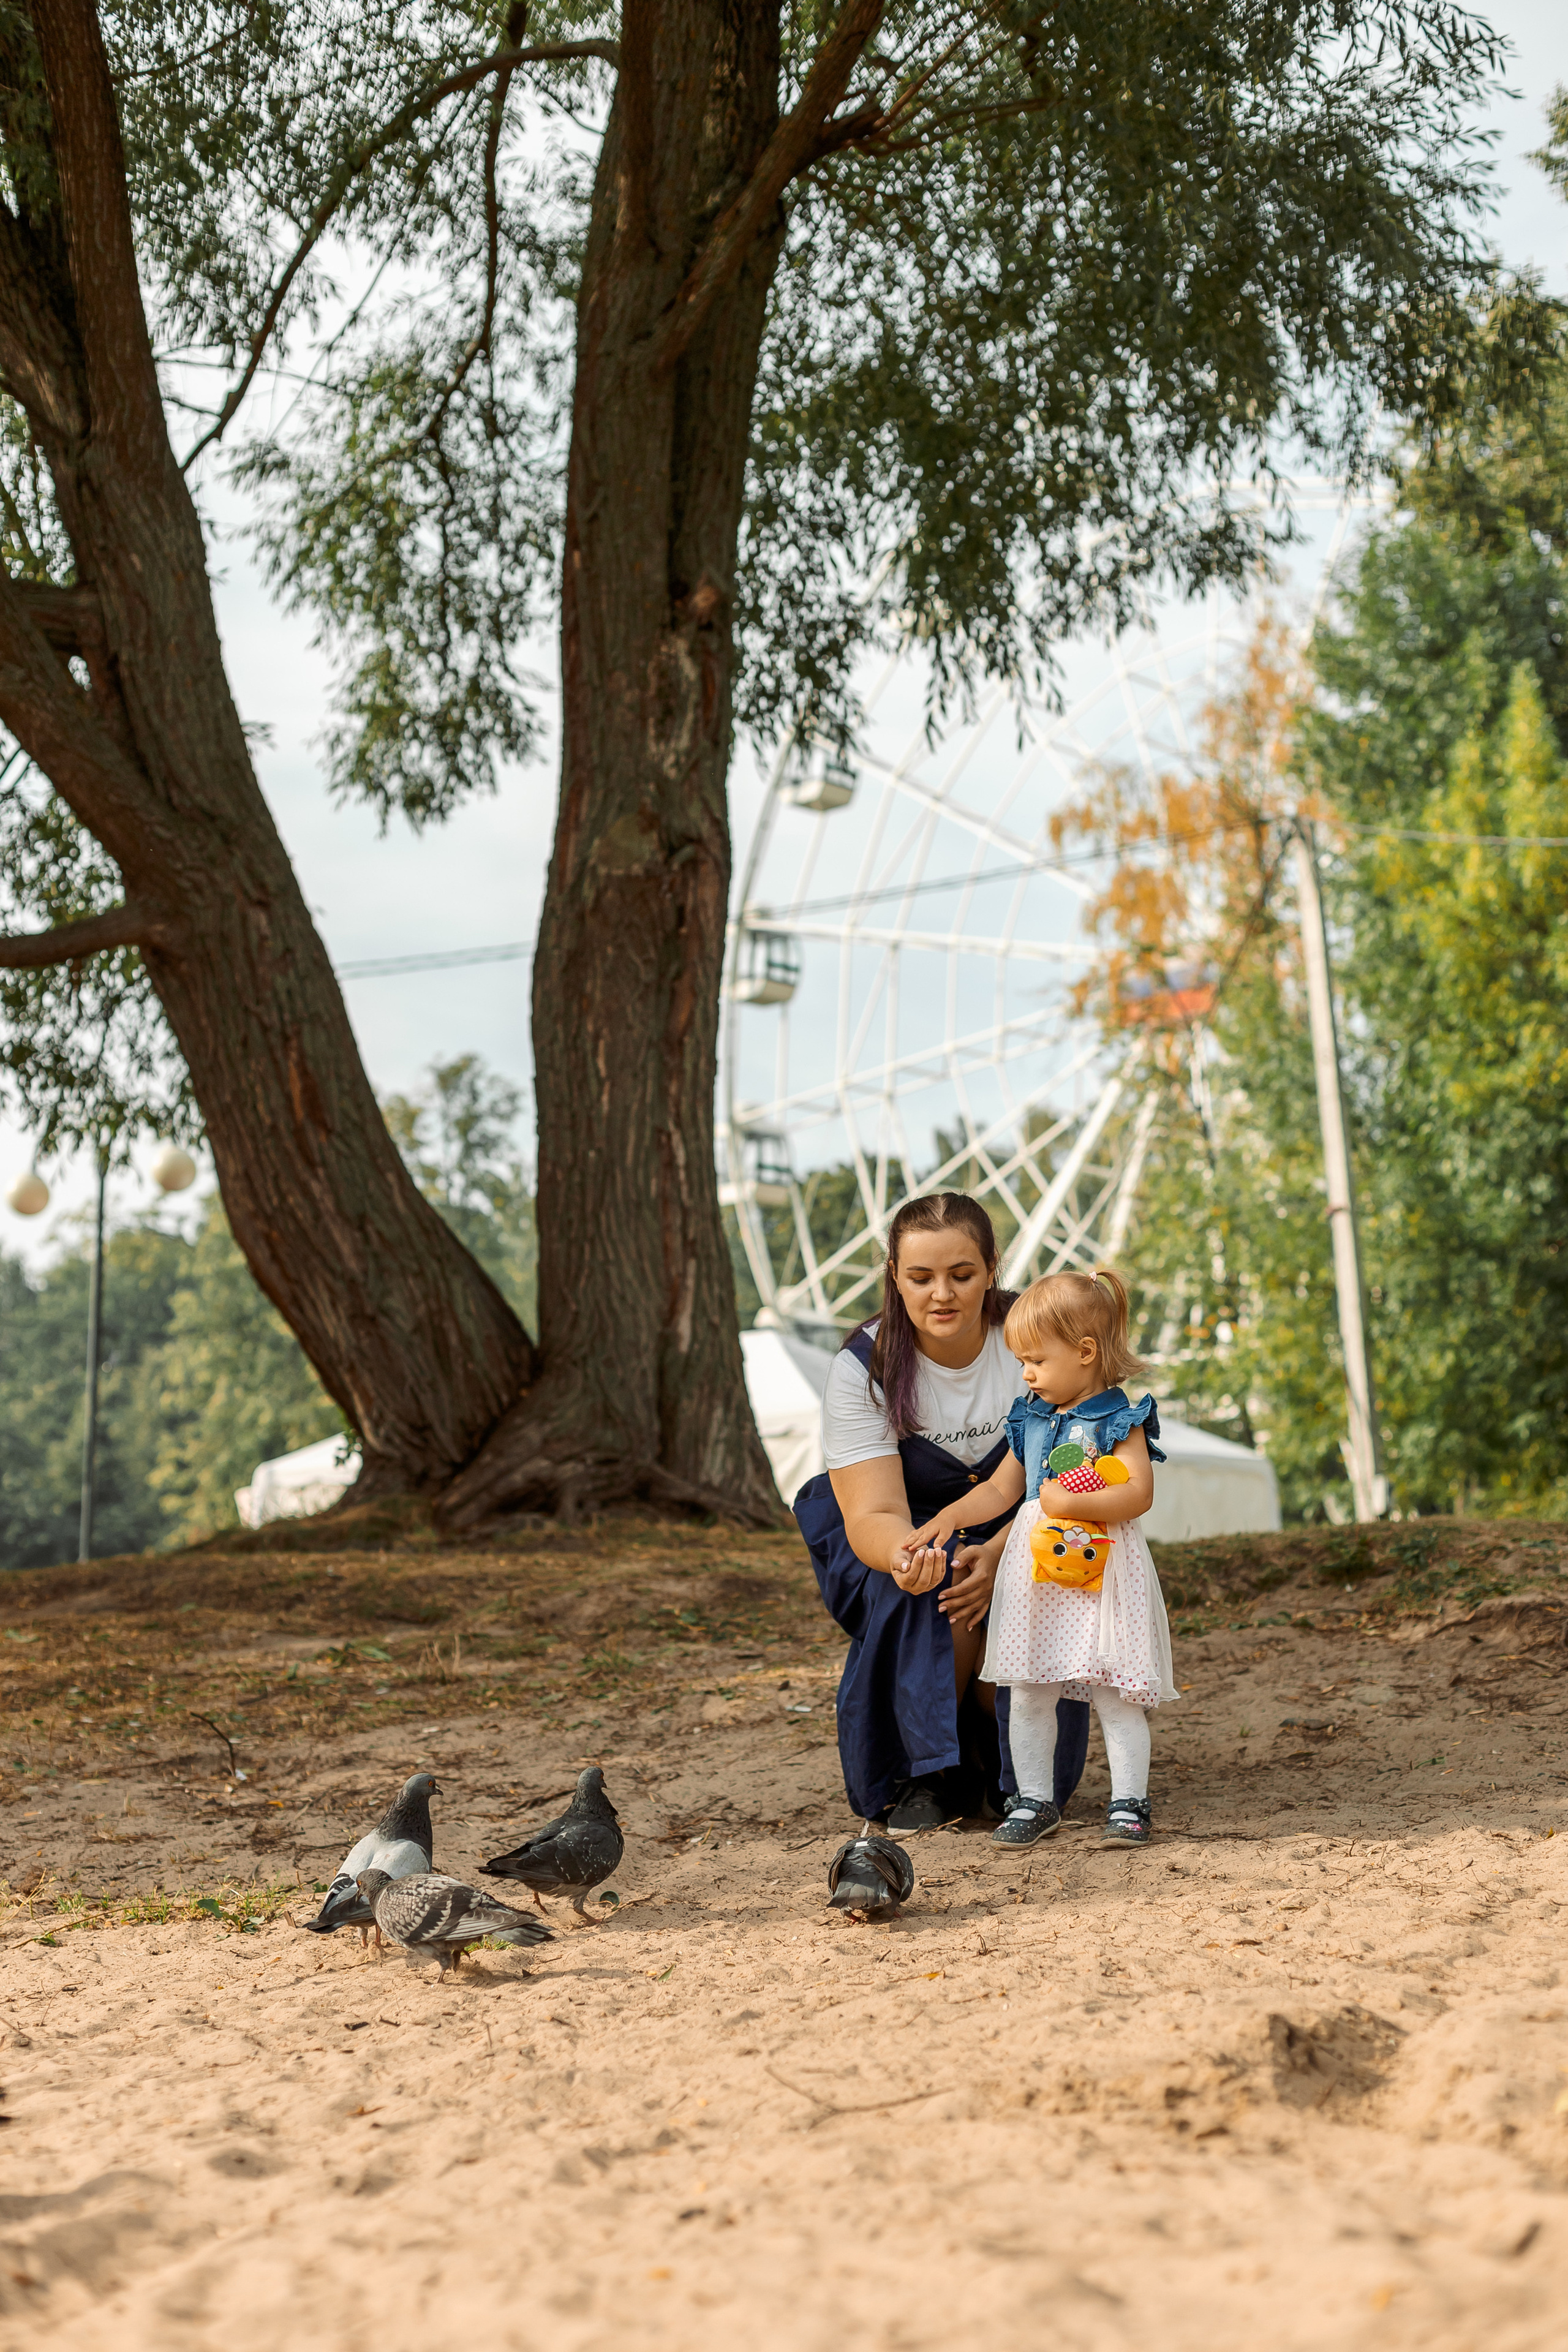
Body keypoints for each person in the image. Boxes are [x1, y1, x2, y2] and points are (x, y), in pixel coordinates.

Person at [794, 1193, 1091, 1834]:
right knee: (925, 1589)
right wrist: (907, 1557)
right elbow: (874, 1510)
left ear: (991, 1268)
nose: (942, 1295)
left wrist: (1010, 1550)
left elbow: (1075, 1477)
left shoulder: (1039, 1341)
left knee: (1038, 1583)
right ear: (894, 1277)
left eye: (961, 1275)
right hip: (907, 1525)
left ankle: (1016, 1774)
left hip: (1037, 1519)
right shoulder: (865, 1364)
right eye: (921, 1277)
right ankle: (923, 1775)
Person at [905, 1266, 1177, 1847]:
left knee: (1113, 1687)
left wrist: (1072, 1500)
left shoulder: (1115, 1420)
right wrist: (952, 1518)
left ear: (1084, 1352)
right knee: (1028, 1686)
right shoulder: (1031, 1416)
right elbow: (1003, 1491)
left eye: (1036, 1360)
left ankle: (1130, 1801)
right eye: (1022, 1361)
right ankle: (1034, 1798)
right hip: (1037, 1575)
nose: (1026, 1374)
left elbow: (1138, 1492)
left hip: (1101, 1570)